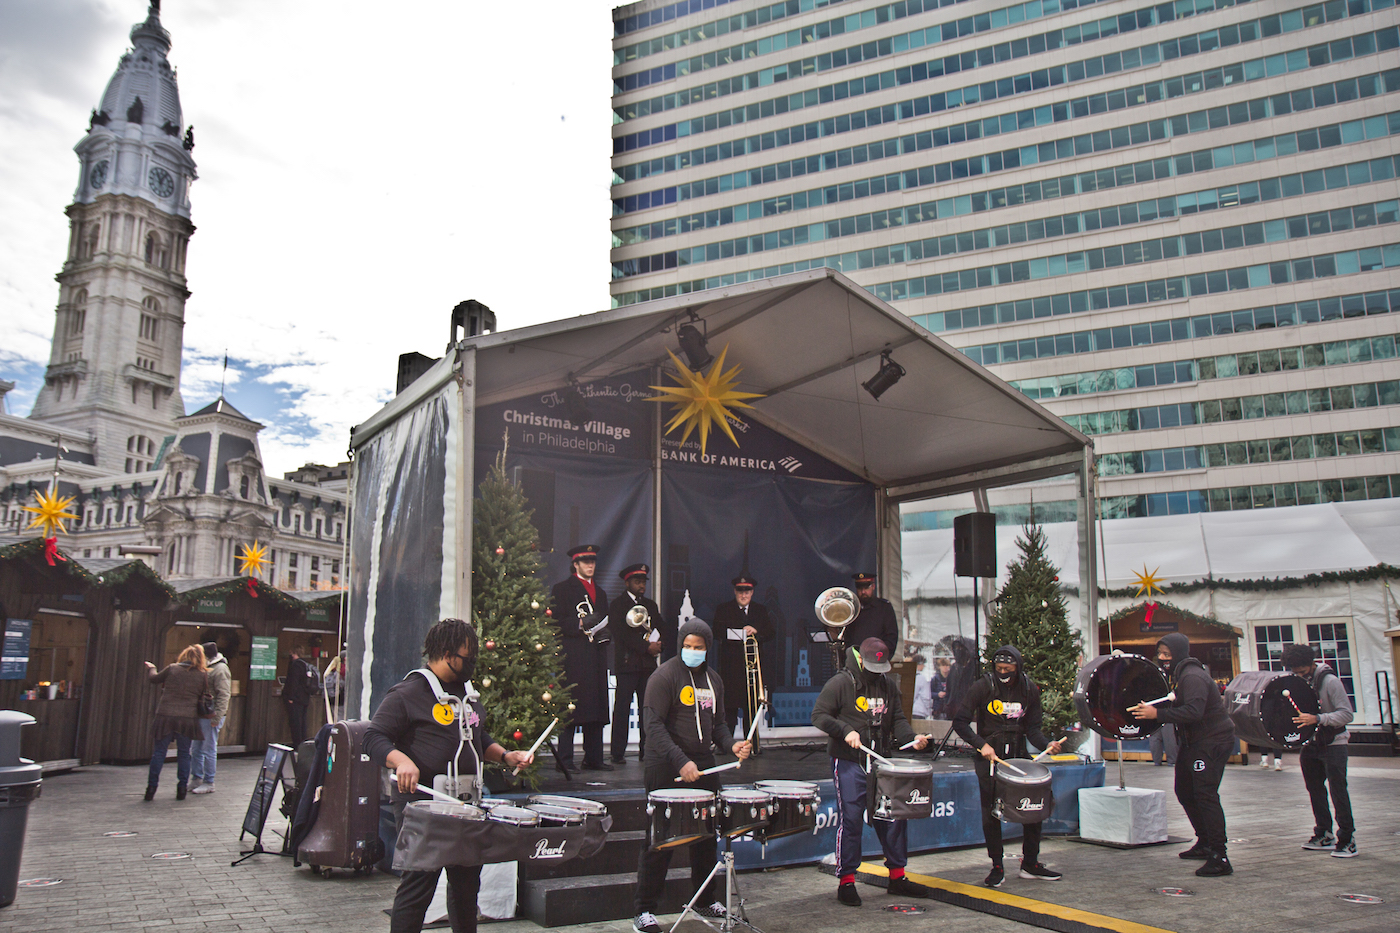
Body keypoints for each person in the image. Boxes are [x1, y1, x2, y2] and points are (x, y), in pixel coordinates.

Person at [364, 618, 534, 933]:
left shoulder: (467, 694)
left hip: (466, 801)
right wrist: (401, 761)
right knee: (419, 884)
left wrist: (505, 755)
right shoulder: (408, 692)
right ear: (445, 654)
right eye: (466, 658)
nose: (472, 664)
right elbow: (374, 737)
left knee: (467, 885)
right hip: (423, 803)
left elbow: (478, 738)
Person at [632, 618, 751, 933]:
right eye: (688, 646)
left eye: (698, 647)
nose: (693, 651)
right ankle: (644, 910)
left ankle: (703, 898)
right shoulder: (664, 676)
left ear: (707, 649)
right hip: (665, 765)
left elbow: (720, 725)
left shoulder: (714, 680)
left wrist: (732, 744)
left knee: (707, 836)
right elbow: (653, 727)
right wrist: (680, 761)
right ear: (680, 645)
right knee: (661, 840)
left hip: (704, 763)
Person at [812, 637, 931, 907]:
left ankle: (898, 877)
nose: (877, 674)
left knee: (893, 818)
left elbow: (897, 719)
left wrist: (912, 739)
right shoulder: (842, 683)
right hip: (850, 760)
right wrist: (846, 731)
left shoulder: (888, 685)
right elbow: (818, 715)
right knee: (851, 819)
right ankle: (847, 880)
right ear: (861, 661)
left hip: (881, 761)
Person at [952, 645, 1065, 887]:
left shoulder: (1028, 688)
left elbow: (1033, 728)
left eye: (1008, 669)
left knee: (1032, 809)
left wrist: (1048, 744)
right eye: (999, 668)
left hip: (1018, 755)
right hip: (990, 757)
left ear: (1018, 668)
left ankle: (1030, 863)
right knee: (992, 812)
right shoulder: (983, 686)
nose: (1003, 672)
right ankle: (997, 865)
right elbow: (960, 722)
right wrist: (980, 744)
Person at [1131, 632, 1236, 877]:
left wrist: (1157, 715)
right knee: (1185, 791)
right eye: (1159, 654)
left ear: (1178, 653)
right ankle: (1205, 841)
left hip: (1211, 741)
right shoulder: (1180, 676)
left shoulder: (1192, 676)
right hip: (1194, 742)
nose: (1162, 658)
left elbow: (1194, 711)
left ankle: (1220, 855)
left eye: (1166, 655)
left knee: (1205, 794)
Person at [1283, 643, 1356, 857]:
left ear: (1311, 664)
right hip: (1311, 743)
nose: (1298, 674)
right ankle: (1324, 833)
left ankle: (1347, 839)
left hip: (1334, 744)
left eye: (1302, 671)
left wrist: (1319, 719)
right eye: (1294, 671)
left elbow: (1347, 714)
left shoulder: (1330, 682)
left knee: (1338, 791)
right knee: (1315, 790)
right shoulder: (1299, 681)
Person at [550, 544, 611, 772]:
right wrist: (579, 623)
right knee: (571, 706)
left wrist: (606, 633)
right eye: (585, 562)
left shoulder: (601, 593)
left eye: (593, 561)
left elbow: (604, 620)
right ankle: (564, 760)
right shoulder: (562, 589)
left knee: (596, 706)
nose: (590, 565)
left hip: (595, 656)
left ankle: (593, 758)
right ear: (575, 564)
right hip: (573, 655)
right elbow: (555, 621)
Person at [711, 574, 775, 743]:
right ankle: (726, 744)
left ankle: (753, 744)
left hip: (752, 669)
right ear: (735, 591)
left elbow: (770, 632)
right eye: (740, 591)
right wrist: (739, 632)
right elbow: (717, 631)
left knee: (751, 707)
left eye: (747, 591)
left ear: (752, 592)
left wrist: (755, 632)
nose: (744, 595)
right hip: (731, 668)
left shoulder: (760, 610)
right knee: (729, 709)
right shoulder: (723, 609)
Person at [609, 562, 663, 764]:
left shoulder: (651, 605)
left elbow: (661, 627)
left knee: (648, 709)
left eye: (643, 582)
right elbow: (621, 633)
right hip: (627, 664)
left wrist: (659, 646)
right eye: (637, 581)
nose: (641, 585)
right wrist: (645, 647)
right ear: (627, 582)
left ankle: (646, 749)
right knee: (622, 708)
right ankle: (617, 753)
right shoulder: (618, 605)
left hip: (648, 666)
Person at [142, 644, 209, 801]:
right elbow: (203, 694)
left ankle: (151, 789)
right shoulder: (202, 675)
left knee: (159, 753)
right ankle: (181, 789)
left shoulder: (172, 668)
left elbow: (154, 679)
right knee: (184, 754)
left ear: (184, 656)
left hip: (165, 715)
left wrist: (151, 668)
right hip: (187, 718)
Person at [190, 641, 231, 794]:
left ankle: (209, 781)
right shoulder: (208, 668)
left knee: (208, 748)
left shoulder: (220, 669)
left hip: (211, 714)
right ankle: (197, 778)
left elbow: (224, 694)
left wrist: (217, 717)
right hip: (203, 713)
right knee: (197, 748)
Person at [838, 572, 900, 658]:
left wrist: (882, 657)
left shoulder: (884, 607)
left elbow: (891, 637)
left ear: (873, 587)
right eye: (859, 588)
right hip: (854, 659)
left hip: (876, 659)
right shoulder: (852, 608)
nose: (863, 592)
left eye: (866, 588)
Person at [283, 649, 314, 746]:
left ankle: (297, 744)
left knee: (295, 722)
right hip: (305, 698)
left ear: (294, 653)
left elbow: (293, 682)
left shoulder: (296, 665)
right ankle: (303, 744)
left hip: (296, 698)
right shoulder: (306, 665)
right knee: (302, 722)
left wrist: (291, 697)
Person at [912, 656, 933, 720]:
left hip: (910, 710)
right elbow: (926, 697)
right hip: (920, 711)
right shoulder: (921, 678)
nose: (924, 666)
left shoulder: (909, 676)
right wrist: (928, 708)